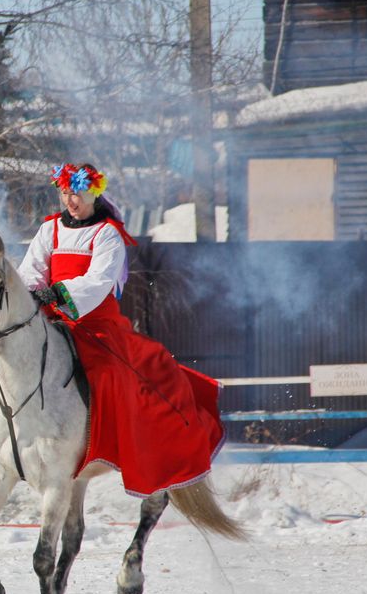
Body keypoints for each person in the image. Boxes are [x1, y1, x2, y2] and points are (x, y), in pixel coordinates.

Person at [17, 162, 225, 497]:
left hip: (95, 325)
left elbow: (99, 280)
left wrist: (58, 292)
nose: (72, 201)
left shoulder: (107, 234)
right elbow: (32, 269)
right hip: (51, 320)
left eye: (79, 194)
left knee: (111, 374)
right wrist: (34, 294)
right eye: (66, 193)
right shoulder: (49, 229)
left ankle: (112, 445)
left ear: (94, 193)